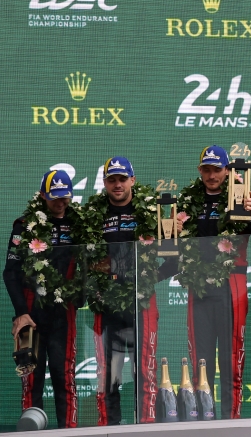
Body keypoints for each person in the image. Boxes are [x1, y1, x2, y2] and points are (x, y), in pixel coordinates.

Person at [177, 145, 251, 419]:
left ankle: (231, 421)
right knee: (201, 359)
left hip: (231, 287)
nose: (212, 176)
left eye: (217, 170)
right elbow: (173, 253)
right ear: (200, 171)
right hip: (199, 288)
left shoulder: (243, 198)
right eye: (206, 170)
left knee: (231, 359)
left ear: (227, 170)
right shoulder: (187, 204)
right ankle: (201, 420)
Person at [84, 157, 165, 425]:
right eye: (112, 179)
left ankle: (147, 426)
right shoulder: (92, 216)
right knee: (108, 375)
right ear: (105, 182)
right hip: (106, 301)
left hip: (141, 300)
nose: (117, 185)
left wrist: (147, 278)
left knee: (144, 370)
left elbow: (175, 258)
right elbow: (86, 260)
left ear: (132, 179)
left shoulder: (150, 211)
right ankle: (108, 428)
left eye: (122, 179)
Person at [3, 170, 81, 428]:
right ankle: (30, 432)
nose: (60, 203)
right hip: (30, 314)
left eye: (64, 197)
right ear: (43, 196)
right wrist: (21, 313)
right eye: (54, 198)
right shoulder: (24, 225)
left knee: (64, 377)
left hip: (63, 314)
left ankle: (70, 433)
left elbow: (89, 266)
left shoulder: (79, 224)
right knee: (31, 379)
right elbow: (10, 272)